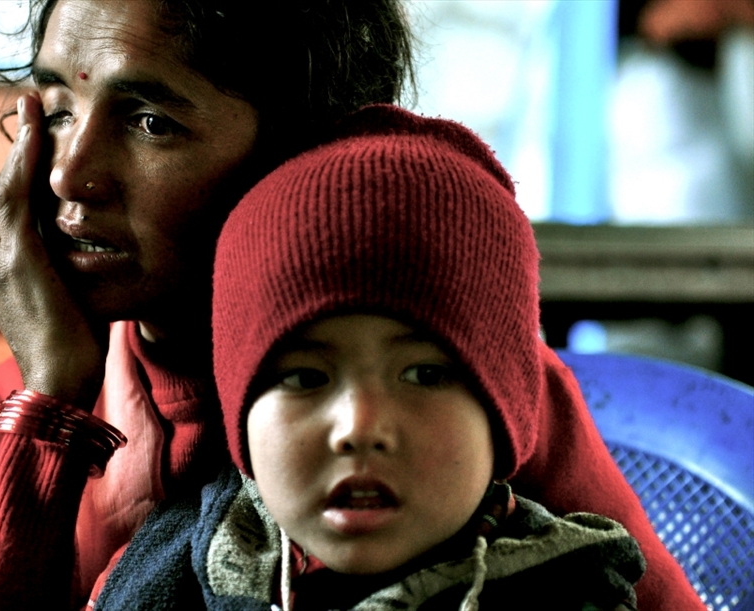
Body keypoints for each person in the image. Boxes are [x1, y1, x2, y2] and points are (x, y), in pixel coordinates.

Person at [0, 1, 703, 610]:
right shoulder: (34, 396)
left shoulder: (461, 399)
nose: (71, 175)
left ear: (307, 151)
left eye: (150, 122)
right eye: (59, 112)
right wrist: (49, 414)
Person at [92, 104, 648, 610]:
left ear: (507, 421)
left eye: (425, 374)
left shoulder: (563, 589)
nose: (359, 428)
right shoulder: (174, 565)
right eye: (305, 377)